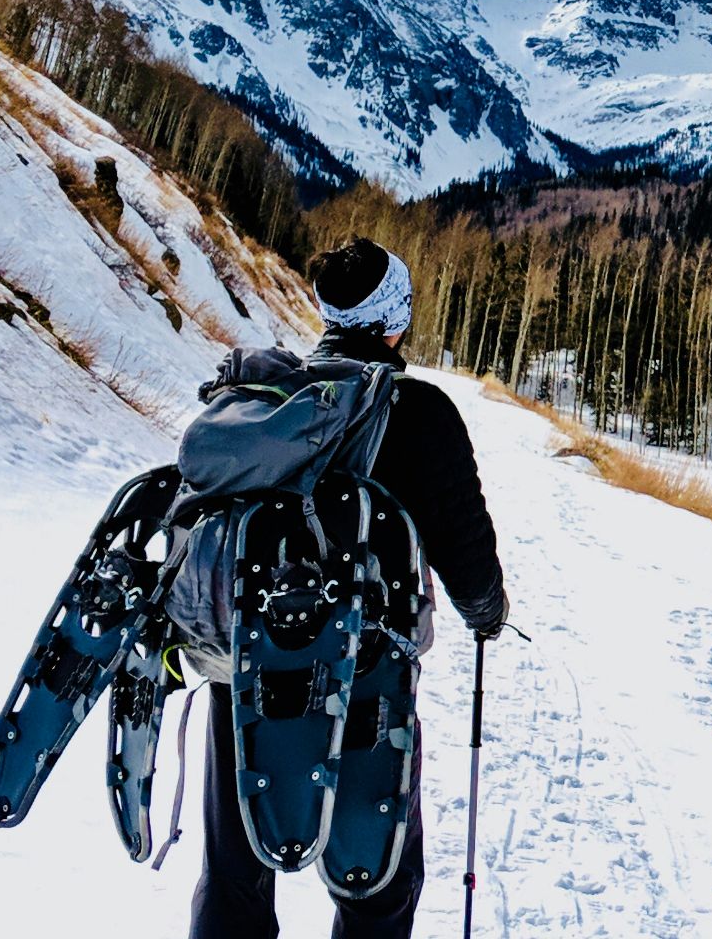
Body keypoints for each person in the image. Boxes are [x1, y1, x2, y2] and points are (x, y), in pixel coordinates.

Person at [190, 238, 509, 939]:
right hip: (367, 680)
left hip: (246, 669)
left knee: (235, 874)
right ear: (394, 317)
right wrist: (488, 613)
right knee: (376, 881)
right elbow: (466, 550)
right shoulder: (419, 412)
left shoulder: (275, 404)